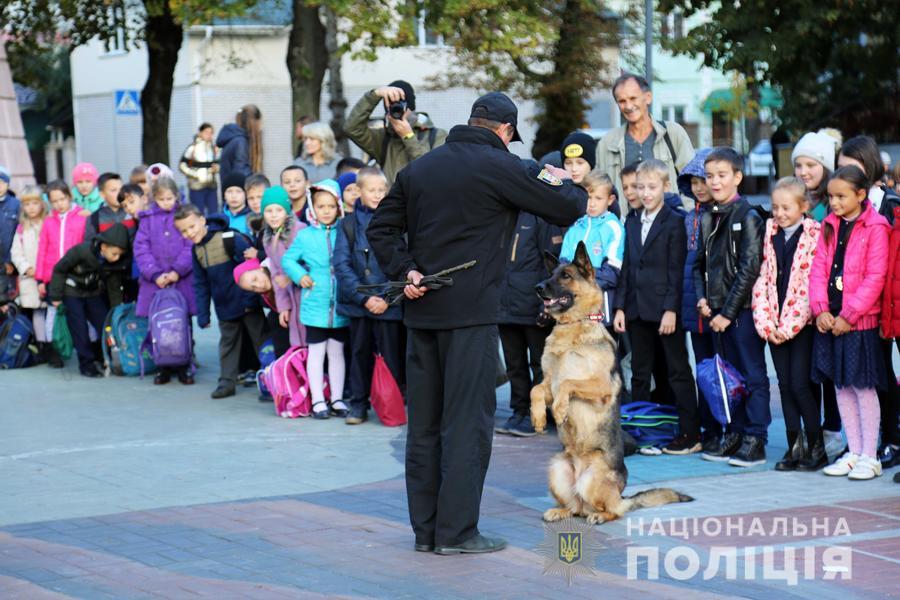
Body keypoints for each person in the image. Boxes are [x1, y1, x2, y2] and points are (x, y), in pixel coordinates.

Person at [367, 92, 586, 555]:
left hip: (422, 311)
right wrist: (558, 175)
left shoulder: (420, 167)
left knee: (424, 426)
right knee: (467, 425)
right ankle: (458, 532)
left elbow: (381, 230)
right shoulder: (504, 166)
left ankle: (426, 532)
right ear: (506, 131)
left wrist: (405, 269)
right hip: (471, 316)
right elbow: (569, 205)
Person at [613, 159, 699, 454]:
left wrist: (671, 310)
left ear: (665, 186)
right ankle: (640, 432)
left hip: (664, 311)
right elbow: (627, 267)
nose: (645, 193)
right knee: (639, 371)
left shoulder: (675, 221)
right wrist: (621, 307)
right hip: (636, 309)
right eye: (640, 187)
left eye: (651, 187)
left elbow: (677, 270)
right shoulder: (632, 220)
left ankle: (689, 431)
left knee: (676, 370)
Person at [811, 166, 889, 481]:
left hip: (859, 323)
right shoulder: (829, 225)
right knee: (841, 385)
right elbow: (818, 269)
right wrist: (820, 309)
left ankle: (870, 455)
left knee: (863, 387)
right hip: (831, 320)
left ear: (861, 194)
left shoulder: (876, 226)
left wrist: (849, 315)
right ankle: (853, 451)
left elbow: (875, 277)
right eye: (831, 196)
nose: (834, 202)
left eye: (841, 196)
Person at [694, 147, 770, 467]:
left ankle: (756, 437)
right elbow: (698, 264)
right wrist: (702, 298)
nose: (714, 182)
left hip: (741, 313)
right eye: (709, 176)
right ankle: (735, 431)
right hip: (715, 314)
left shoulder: (748, 216)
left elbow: (749, 269)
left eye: (722, 175)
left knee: (752, 375)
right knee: (729, 375)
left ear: (737, 177)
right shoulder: (708, 215)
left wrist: (727, 312)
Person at [751, 177, 825, 471]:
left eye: (786, 208)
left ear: (803, 207)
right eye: (775, 208)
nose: (779, 214)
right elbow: (762, 279)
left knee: (799, 384)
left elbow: (810, 284)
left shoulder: (814, 236)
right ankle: (795, 446)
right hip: (774, 324)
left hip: (802, 325)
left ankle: (816, 447)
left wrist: (790, 326)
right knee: (783, 385)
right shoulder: (768, 235)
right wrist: (768, 323)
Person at [837, 135, 900, 468]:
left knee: (886, 375)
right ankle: (870, 444)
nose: (846, 173)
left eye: (853, 167)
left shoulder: (888, 204)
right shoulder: (843, 209)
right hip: (860, 309)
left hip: (888, 303)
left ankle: (892, 438)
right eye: (841, 167)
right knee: (873, 377)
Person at [494, 159, 564, 437]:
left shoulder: (542, 217)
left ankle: (542, 412)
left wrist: (546, 305)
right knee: (514, 364)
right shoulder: (503, 214)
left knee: (540, 362)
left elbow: (551, 267)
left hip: (533, 306)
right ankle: (519, 410)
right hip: (504, 304)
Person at [333, 167, 403, 425]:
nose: (377, 195)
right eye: (371, 190)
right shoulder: (348, 224)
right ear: (358, 192)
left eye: (381, 190)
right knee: (359, 354)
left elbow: (402, 263)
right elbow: (341, 264)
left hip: (389, 304)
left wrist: (386, 297)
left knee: (391, 356)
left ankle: (391, 405)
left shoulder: (397, 222)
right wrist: (365, 298)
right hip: (359, 303)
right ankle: (358, 405)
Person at [175, 204, 266, 399]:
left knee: (262, 343)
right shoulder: (196, 250)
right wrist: (204, 314)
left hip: (247, 303)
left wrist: (251, 300)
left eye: (191, 227)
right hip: (224, 307)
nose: (189, 233)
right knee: (227, 345)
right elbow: (201, 284)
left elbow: (251, 268)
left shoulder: (228, 238)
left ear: (202, 220)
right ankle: (226, 383)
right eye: (183, 231)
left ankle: (272, 380)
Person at [282, 179, 350, 419]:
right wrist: (301, 276)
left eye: (331, 206)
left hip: (340, 304)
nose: (326, 211)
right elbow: (288, 260)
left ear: (338, 206)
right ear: (313, 207)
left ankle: (338, 398)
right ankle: (318, 400)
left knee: (337, 352)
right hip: (315, 305)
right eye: (321, 206)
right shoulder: (305, 236)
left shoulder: (344, 231)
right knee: (316, 353)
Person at [595, 73, 694, 215]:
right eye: (622, 101)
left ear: (648, 98)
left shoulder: (673, 133)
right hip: (626, 229)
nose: (628, 106)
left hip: (668, 227)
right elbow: (600, 190)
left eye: (633, 98)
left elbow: (691, 182)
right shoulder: (607, 143)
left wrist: (686, 218)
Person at [677, 148, 721, 452]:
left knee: (724, 370)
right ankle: (710, 428)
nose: (699, 187)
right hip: (694, 307)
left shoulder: (723, 215)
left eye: (703, 180)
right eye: (693, 182)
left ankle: (727, 427)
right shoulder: (687, 219)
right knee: (703, 369)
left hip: (718, 306)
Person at [133, 176, 196, 385]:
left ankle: (185, 363)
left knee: (182, 322)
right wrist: (154, 273)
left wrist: (178, 270)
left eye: (170, 198)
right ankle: (163, 365)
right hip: (155, 281)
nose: (167, 203)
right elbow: (141, 249)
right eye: (162, 199)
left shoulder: (183, 215)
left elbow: (190, 244)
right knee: (156, 322)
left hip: (181, 280)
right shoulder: (147, 218)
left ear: (176, 196)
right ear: (154, 199)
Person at [47, 223, 130, 377]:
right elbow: (59, 269)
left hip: (93, 292)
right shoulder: (81, 251)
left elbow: (113, 287)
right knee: (80, 330)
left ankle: (102, 357)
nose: (116, 258)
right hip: (71, 292)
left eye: (120, 255)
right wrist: (56, 296)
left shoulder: (114, 263)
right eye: (114, 253)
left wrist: (116, 309)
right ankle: (86, 364)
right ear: (104, 246)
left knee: (104, 324)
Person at [346, 81, 448, 185]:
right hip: (392, 200)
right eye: (392, 106)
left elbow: (434, 171)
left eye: (401, 105)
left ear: (411, 107)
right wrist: (374, 95)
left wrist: (408, 137)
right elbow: (352, 128)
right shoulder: (382, 138)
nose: (397, 110)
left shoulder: (437, 136)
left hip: (423, 200)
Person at [559, 170, 623, 323]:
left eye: (598, 198)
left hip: (600, 309)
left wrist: (578, 283)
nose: (592, 203)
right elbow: (562, 266)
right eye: (588, 197)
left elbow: (612, 272)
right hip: (573, 309)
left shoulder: (614, 227)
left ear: (610, 199)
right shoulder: (575, 227)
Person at [259, 186, 306, 351]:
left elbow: (311, 262)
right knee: (297, 342)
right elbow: (276, 274)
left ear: (286, 211)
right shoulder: (268, 239)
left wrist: (292, 276)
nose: (273, 215)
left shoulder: (299, 231)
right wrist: (283, 307)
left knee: (314, 342)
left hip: (307, 297)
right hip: (290, 297)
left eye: (278, 210)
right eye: (268, 210)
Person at [10, 186, 52, 363]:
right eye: (27, 204)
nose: (32, 207)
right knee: (37, 311)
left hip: (48, 274)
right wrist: (26, 267)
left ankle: (53, 344)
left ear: (42, 204)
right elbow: (16, 252)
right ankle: (42, 345)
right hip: (30, 277)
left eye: (35, 203)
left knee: (51, 310)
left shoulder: (49, 223)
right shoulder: (21, 229)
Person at [792, 131, 839, 222]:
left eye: (810, 165)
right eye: (798, 166)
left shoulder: (833, 203)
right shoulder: (787, 197)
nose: (803, 172)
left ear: (826, 169)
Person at [180, 122, 220, 216]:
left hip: (211, 186)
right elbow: (182, 165)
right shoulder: (192, 148)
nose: (209, 135)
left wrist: (216, 168)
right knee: (198, 213)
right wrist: (195, 174)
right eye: (206, 132)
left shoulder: (214, 148)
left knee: (214, 213)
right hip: (196, 186)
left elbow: (218, 163)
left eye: (211, 133)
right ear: (200, 133)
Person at [217, 104, 263, 184]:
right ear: (253, 122)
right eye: (260, 122)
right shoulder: (240, 142)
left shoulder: (234, 139)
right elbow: (241, 176)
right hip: (238, 194)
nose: (261, 127)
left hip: (231, 193)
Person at [85, 173, 133, 238]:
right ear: (102, 194)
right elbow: (90, 244)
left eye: (121, 189)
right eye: (114, 190)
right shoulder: (94, 218)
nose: (120, 193)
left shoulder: (133, 212)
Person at [0, 166, 20, 286]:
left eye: (1, 183)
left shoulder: (16, 205)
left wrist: (10, 261)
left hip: (12, 261)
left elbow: (19, 234)